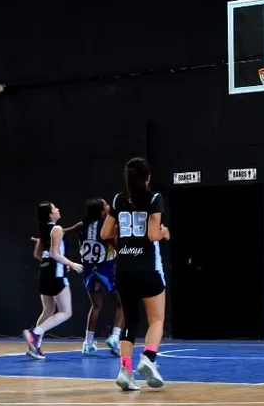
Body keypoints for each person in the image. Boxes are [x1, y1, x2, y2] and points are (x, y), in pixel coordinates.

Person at [101, 157, 170, 391]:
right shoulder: (154, 198)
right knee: (157, 319)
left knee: (130, 319)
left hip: (124, 268)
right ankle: (148, 358)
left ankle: (125, 370)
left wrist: (124, 239)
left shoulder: (118, 199)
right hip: (147, 267)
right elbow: (152, 235)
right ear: (148, 177)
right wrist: (164, 232)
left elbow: (105, 233)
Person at [23, 201, 83, 360]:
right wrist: (72, 264)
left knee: (48, 311)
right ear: (50, 214)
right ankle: (35, 334)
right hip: (56, 275)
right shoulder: (56, 229)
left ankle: (34, 346)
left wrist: (59, 263)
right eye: (55, 208)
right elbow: (55, 254)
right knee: (66, 312)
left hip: (44, 273)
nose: (58, 209)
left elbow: (38, 255)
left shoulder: (43, 230)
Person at [77, 198, 125, 356]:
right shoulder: (108, 226)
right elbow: (117, 245)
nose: (109, 206)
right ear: (103, 211)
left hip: (89, 271)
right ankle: (115, 337)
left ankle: (88, 343)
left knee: (96, 306)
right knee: (121, 304)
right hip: (105, 269)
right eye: (106, 205)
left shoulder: (82, 225)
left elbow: (62, 231)